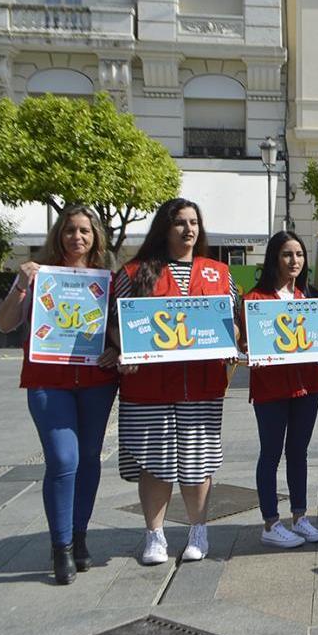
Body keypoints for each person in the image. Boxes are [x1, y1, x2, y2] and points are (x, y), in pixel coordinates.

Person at [0, 206, 119, 585]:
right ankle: (60, 545)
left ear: (96, 236)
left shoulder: (108, 280)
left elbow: (117, 332)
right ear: (58, 234)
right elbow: (4, 323)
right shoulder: (37, 275)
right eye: (69, 230)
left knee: (89, 461)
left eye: (84, 230)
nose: (77, 237)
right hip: (48, 381)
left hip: (97, 380)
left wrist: (118, 350)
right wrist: (21, 283)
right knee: (64, 460)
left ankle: (79, 537)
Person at [114, 198, 240, 565]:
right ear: (164, 229)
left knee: (197, 460)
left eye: (194, 222)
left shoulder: (218, 272)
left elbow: (231, 320)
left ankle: (198, 530)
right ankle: (154, 536)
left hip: (200, 384)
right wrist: (126, 350)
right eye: (180, 223)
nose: (189, 230)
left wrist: (231, 342)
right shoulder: (134, 272)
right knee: (156, 461)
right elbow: (114, 323)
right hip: (148, 388)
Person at [243, 231, 318, 549]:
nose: (295, 261)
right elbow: (247, 345)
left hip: (308, 385)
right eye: (287, 255)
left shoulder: (311, 296)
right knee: (270, 453)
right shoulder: (255, 299)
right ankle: (270, 523)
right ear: (274, 259)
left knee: (298, 452)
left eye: (300, 255)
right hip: (271, 389)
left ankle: (300, 517)